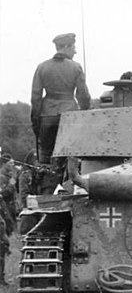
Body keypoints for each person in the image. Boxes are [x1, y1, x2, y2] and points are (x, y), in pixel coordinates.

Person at [30, 33, 91, 183]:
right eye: (73, 47)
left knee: (46, 157)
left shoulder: (42, 67)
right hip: (69, 116)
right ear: (66, 47)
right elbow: (83, 95)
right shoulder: (76, 67)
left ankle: (47, 191)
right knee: (71, 155)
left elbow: (35, 97)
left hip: (47, 116)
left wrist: (36, 121)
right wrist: (85, 114)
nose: (75, 51)